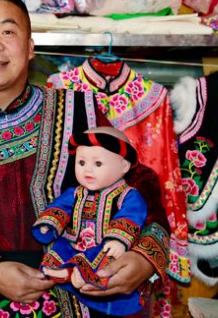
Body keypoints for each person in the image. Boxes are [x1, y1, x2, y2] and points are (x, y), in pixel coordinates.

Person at [0, 0, 170, 318]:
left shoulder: (82, 113)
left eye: (8, 32)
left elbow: (139, 183)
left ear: (31, 48)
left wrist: (143, 257)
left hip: (81, 297)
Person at [32, 126, 147, 316]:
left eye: (98, 164)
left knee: (104, 260)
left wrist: (118, 239)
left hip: (103, 244)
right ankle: (66, 273)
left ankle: (79, 275)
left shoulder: (128, 195)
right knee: (60, 247)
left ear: (124, 167)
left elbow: (131, 215)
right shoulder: (76, 192)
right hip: (75, 241)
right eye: (82, 162)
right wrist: (49, 223)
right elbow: (60, 206)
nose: (88, 170)